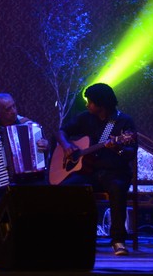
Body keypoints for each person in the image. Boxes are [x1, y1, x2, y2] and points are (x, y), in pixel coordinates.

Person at [57, 82, 137, 257]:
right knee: (65, 188)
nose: (87, 105)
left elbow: (130, 153)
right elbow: (61, 131)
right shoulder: (85, 118)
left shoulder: (124, 122)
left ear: (102, 104)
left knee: (117, 189)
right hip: (89, 172)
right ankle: (74, 236)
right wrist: (67, 146)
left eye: (90, 102)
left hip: (115, 173)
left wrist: (118, 147)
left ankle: (118, 240)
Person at [0, 93, 48, 232]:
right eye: (8, 109)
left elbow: (42, 149)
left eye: (14, 106)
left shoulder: (28, 124)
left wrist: (45, 145)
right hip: (0, 175)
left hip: (27, 176)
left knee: (44, 186)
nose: (14, 111)